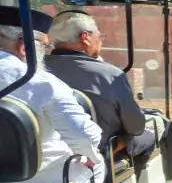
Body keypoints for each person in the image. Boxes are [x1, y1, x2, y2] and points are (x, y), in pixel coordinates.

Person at [0, 9, 105, 183]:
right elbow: (84, 136)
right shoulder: (42, 82)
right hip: (33, 180)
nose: (45, 52)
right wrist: (89, 155)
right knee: (96, 164)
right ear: (24, 47)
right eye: (44, 46)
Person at [45, 10, 163, 172]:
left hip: (50, 152)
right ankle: (135, 182)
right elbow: (136, 127)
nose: (100, 41)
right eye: (99, 36)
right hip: (101, 151)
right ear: (85, 37)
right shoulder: (109, 74)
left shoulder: (35, 70)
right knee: (153, 131)